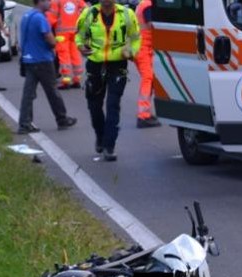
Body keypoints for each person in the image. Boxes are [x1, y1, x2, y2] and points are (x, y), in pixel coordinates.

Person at [75, 0, 140, 162]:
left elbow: (136, 38)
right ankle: (100, 135)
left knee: (113, 104)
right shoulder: (89, 14)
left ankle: (109, 146)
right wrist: (81, 46)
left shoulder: (126, 14)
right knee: (94, 106)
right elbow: (79, 36)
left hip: (118, 65)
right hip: (95, 65)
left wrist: (130, 51)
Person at [18, 0, 78, 134]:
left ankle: (24, 123)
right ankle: (62, 119)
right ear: (40, 2)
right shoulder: (40, 18)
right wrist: (55, 42)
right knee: (52, 91)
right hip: (42, 60)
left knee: (28, 93)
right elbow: (49, 39)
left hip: (28, 59)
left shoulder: (27, 16)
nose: (50, 3)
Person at [46, 0, 87, 89]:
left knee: (64, 55)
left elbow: (51, 18)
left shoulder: (56, 1)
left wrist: (46, 30)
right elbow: (86, 11)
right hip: (75, 32)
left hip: (62, 34)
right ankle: (77, 79)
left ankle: (66, 80)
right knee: (75, 54)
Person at [134, 0, 160, 128]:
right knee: (148, 78)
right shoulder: (148, 5)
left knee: (150, 80)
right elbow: (151, 25)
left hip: (144, 48)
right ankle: (143, 116)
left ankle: (146, 113)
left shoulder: (143, 4)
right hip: (143, 48)